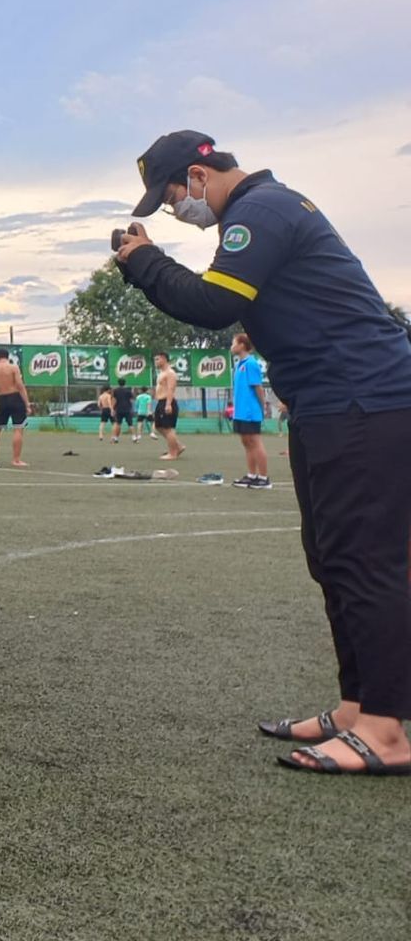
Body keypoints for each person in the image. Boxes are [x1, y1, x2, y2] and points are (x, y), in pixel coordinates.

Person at [116, 130, 411, 775]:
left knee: (364, 560)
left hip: (363, 398)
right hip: (330, 401)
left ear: (199, 172)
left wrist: (144, 260)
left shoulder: (261, 212)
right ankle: (359, 706)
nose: (174, 210)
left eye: (170, 197)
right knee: (332, 558)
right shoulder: (262, 212)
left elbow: (214, 305)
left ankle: (388, 729)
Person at [229, 332, 273, 489]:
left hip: (250, 411)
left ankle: (263, 478)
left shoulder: (251, 364)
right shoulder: (238, 365)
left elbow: (258, 388)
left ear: (242, 345)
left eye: (234, 343)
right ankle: (251, 475)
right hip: (240, 411)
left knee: (255, 441)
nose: (231, 346)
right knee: (246, 442)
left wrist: (263, 407)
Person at [0, 348, 30, 468]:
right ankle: (16, 460)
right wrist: (27, 404)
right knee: (18, 429)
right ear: (7, 357)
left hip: (2, 399)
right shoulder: (13, 368)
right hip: (15, 398)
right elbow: (20, 385)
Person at [152, 352, 184, 462]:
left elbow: (171, 389)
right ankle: (178, 446)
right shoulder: (161, 373)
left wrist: (168, 404)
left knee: (168, 428)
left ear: (164, 359)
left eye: (157, 359)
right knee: (158, 426)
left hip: (167, 402)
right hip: (161, 402)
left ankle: (173, 453)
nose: (155, 362)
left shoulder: (170, 373)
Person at [110, 379, 136, 446]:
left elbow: (114, 399)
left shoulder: (115, 390)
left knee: (118, 423)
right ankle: (134, 437)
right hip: (127, 409)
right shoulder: (128, 390)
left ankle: (116, 438)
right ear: (125, 383)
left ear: (118, 383)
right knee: (130, 424)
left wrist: (112, 409)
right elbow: (132, 398)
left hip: (118, 409)